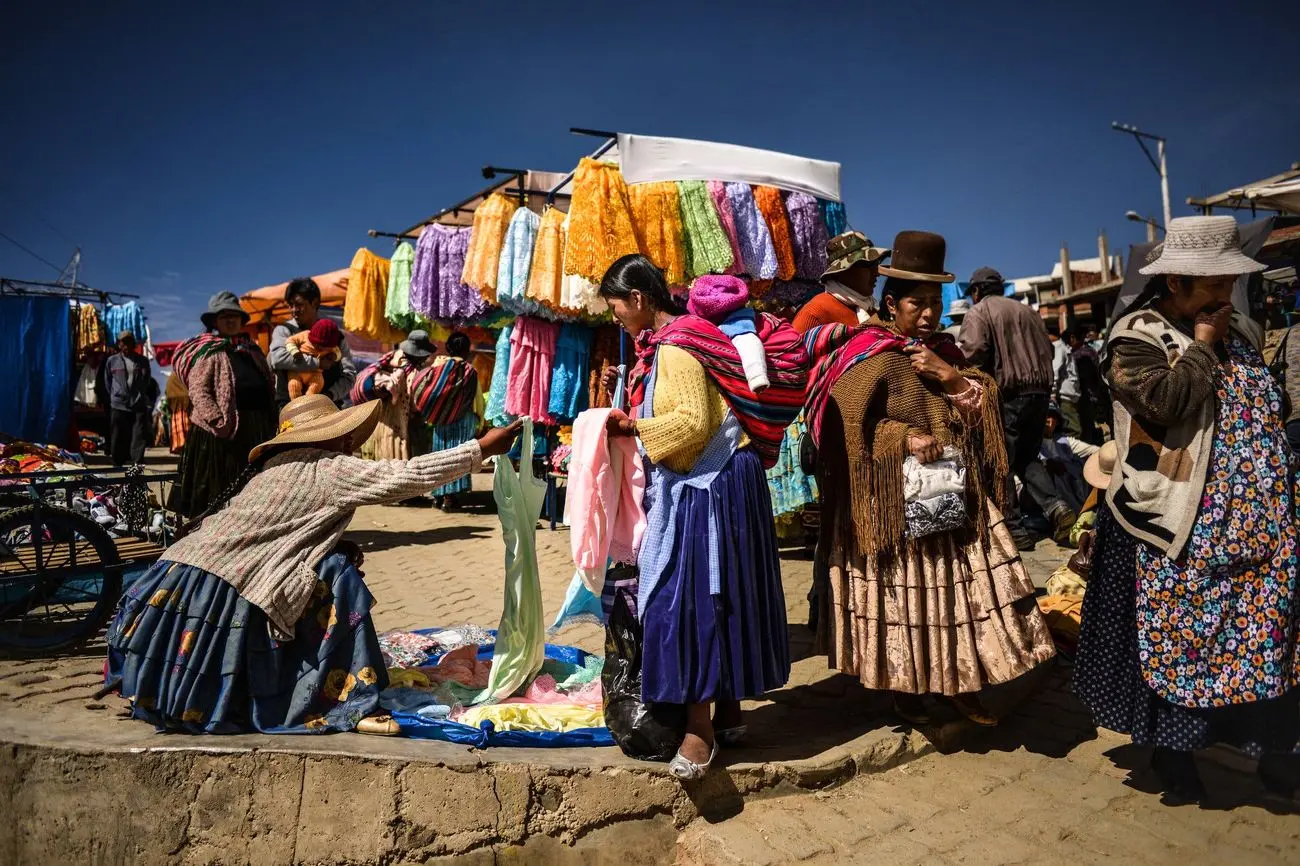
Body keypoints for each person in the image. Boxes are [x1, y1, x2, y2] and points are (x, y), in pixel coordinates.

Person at [104, 394, 521, 733]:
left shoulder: (273, 468)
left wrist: (335, 542)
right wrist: (481, 448)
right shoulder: (329, 468)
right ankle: (351, 697)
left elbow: (279, 529)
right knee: (341, 578)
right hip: (224, 584)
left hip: (172, 578)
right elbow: (406, 476)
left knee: (335, 560)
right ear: (337, 437)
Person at [1074, 215, 1299, 803]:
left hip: (1259, 528)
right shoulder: (1133, 339)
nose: (1224, 293)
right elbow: (1167, 402)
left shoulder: (1239, 336)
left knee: (1267, 637)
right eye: (1211, 283)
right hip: (1177, 525)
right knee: (1179, 640)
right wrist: (1200, 344)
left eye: (1229, 281)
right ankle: (1177, 761)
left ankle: (1276, 763)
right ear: (1174, 281)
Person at [807, 231, 1055, 727]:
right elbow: (845, 424)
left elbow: (983, 411)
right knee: (905, 597)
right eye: (916, 304)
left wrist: (951, 377)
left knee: (960, 594)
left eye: (935, 302)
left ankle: (962, 683)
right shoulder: (868, 350)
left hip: (951, 494)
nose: (928, 313)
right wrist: (902, 437)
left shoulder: (946, 352)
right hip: (892, 503)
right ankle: (907, 689)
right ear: (891, 303)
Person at [600, 254, 793, 780]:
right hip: (732, 480)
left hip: (709, 484)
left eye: (615, 304)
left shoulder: (679, 345)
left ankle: (699, 732)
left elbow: (689, 425)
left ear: (638, 298)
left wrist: (630, 431)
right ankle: (728, 712)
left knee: (684, 602)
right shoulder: (679, 339)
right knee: (727, 593)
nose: (613, 314)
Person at [959, 266, 1071, 548]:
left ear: (976, 291)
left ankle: (1015, 530)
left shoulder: (979, 311)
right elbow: (1049, 351)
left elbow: (974, 351)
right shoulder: (1027, 311)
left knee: (1001, 461)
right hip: (1040, 393)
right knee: (1028, 458)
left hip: (1008, 394)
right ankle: (1058, 508)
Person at [170, 292, 278, 518]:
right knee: (219, 492)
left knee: (250, 491)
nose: (230, 320)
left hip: (254, 428)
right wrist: (217, 421)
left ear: (241, 320)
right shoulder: (211, 352)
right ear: (215, 322)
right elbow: (199, 391)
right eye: (224, 316)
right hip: (220, 435)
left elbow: (269, 382)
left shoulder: (252, 351)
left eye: (234, 315)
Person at [417, 331, 484, 511]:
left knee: (441, 456)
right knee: (457, 457)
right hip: (462, 420)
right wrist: (480, 419)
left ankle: (437, 496)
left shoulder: (437, 367)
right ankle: (449, 497)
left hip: (440, 420)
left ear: (447, 348)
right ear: (467, 349)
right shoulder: (469, 371)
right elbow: (476, 399)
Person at [268, 277, 356, 407]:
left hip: (328, 408)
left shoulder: (335, 336)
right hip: (290, 409)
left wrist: (329, 396)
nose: (293, 310)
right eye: (290, 305)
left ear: (314, 303)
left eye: (299, 304)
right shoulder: (284, 331)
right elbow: (277, 358)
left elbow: (349, 375)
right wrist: (317, 363)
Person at [358, 330, 437, 469]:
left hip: (378, 428)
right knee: (399, 475)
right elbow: (415, 406)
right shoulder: (413, 374)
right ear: (420, 355)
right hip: (398, 433)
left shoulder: (388, 363)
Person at [792, 230, 888, 333]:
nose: (876, 273)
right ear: (844, 270)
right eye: (869, 265)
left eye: (876, 264)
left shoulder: (872, 310)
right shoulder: (815, 313)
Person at [98, 330, 156, 466]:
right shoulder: (112, 361)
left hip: (137, 402)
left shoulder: (142, 361)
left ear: (133, 343)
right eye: (123, 342)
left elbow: (147, 380)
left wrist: (140, 393)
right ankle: (118, 460)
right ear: (119, 344)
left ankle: (137, 460)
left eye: (129, 342)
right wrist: (115, 395)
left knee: (138, 433)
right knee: (118, 432)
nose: (126, 345)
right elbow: (107, 381)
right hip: (118, 403)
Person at [1058, 326, 1104, 444]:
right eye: (1082, 339)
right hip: (1074, 398)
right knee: (1076, 430)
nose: (1084, 342)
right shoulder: (1064, 350)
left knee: (1084, 428)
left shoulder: (1083, 352)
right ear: (1073, 338)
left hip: (1083, 397)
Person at [284, 319, 344, 398]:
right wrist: (294, 351)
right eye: (317, 344)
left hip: (315, 373)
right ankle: (296, 404)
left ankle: (309, 400)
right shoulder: (304, 335)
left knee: (319, 383)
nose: (319, 348)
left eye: (324, 347)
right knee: (293, 384)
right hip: (298, 371)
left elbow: (338, 352)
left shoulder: (332, 347)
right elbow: (290, 341)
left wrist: (335, 356)